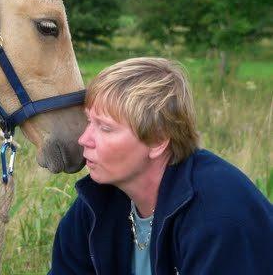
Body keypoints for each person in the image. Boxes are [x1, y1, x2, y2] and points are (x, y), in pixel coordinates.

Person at [48, 57, 273, 275]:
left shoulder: (219, 219)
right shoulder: (96, 204)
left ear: (157, 141)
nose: (84, 139)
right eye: (89, 121)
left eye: (105, 128)